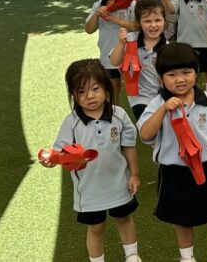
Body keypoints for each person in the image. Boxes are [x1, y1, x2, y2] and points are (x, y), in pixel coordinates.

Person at [138, 42, 207, 262]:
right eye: (172, 74)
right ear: (161, 78)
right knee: (181, 218)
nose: (180, 79)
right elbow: (145, 134)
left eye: (186, 72)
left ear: (197, 72)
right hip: (175, 170)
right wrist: (163, 110)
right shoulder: (157, 104)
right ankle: (187, 257)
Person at [41, 59, 142, 262]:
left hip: (118, 182)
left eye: (95, 88)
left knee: (124, 218)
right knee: (96, 226)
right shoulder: (71, 122)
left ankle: (132, 255)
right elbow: (60, 151)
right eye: (81, 92)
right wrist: (52, 159)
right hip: (89, 188)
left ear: (106, 88)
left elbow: (128, 147)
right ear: (73, 95)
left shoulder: (119, 115)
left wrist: (135, 175)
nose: (89, 96)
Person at [84, 0, 139, 105]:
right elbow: (89, 29)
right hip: (107, 53)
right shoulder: (97, 6)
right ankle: (114, 116)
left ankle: (140, 112)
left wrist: (114, 19)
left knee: (135, 88)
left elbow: (137, 26)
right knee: (112, 87)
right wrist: (96, 14)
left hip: (130, 53)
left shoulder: (131, 4)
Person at [109, 0, 168, 119]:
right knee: (148, 129)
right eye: (147, 21)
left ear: (164, 21)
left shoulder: (167, 48)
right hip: (139, 97)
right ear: (138, 23)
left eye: (157, 20)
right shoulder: (131, 39)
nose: (153, 25)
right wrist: (121, 43)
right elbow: (114, 61)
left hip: (162, 95)